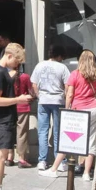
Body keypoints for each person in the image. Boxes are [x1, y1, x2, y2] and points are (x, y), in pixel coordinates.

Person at [43, 50, 96, 181]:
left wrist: (67, 109)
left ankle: (54, 169)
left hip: (78, 110)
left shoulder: (75, 74)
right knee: (91, 141)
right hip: (94, 108)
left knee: (68, 140)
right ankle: (86, 174)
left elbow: (69, 94)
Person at [0, 43, 32, 190]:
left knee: (2, 155)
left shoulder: (2, 72)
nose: (17, 65)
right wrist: (18, 99)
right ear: (10, 56)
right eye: (17, 61)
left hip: (5, 119)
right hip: (2, 119)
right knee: (0, 156)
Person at [30, 44, 70, 172]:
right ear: (59, 55)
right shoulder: (62, 67)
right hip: (58, 100)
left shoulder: (39, 65)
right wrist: (64, 96)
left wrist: (38, 95)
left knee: (42, 131)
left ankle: (42, 160)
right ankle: (61, 161)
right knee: (58, 131)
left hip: (43, 100)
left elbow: (34, 84)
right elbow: (67, 86)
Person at [14, 65, 34, 167]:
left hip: (9, 106)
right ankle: (21, 159)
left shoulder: (8, 76)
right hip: (23, 107)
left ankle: (9, 157)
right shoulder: (25, 77)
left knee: (10, 131)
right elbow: (31, 92)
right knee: (22, 133)